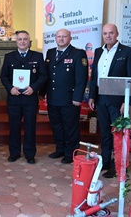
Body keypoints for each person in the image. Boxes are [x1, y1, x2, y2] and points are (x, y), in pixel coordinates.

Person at [88, 23, 131, 178]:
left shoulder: (128, 52)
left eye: (111, 33)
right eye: (105, 33)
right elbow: (94, 76)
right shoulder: (98, 52)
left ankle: (118, 165)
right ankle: (105, 161)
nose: (108, 36)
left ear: (117, 34)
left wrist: (127, 102)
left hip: (117, 100)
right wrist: (91, 96)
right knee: (104, 132)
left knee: (117, 134)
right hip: (101, 97)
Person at [41, 28, 88, 164]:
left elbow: (81, 78)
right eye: (58, 36)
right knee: (56, 125)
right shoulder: (50, 53)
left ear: (70, 38)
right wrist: (42, 92)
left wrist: (78, 98)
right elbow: (48, 76)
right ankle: (60, 149)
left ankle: (70, 152)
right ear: (55, 38)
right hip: (53, 97)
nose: (61, 39)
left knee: (70, 127)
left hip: (69, 99)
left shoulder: (78, 54)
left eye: (64, 36)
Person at [0, 30, 47, 164]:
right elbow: (4, 76)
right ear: (16, 41)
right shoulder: (9, 56)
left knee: (30, 127)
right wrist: (10, 88)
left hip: (30, 99)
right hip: (14, 98)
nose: (22, 41)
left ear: (29, 41)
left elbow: (43, 76)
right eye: (20, 39)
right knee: (14, 127)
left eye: (25, 39)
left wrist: (33, 88)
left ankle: (29, 154)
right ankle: (14, 153)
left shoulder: (37, 56)